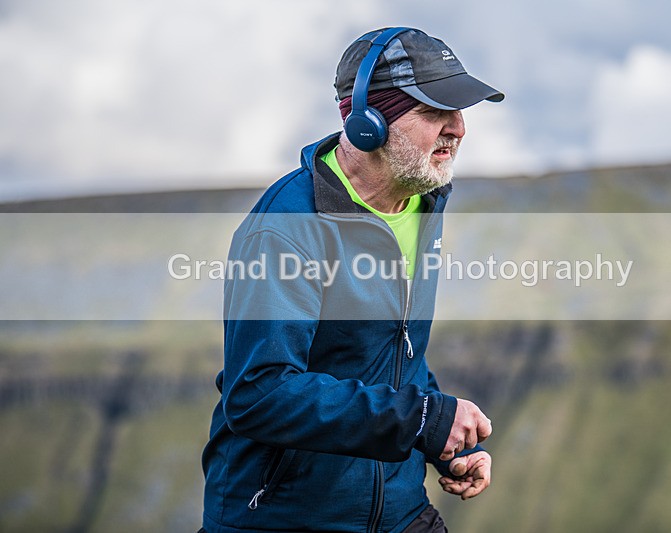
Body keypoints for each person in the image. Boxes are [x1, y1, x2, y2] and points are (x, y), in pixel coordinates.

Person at [200, 27, 504, 533]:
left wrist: (441, 437)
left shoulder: (420, 203)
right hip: (286, 518)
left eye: (459, 111)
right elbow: (259, 394)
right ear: (368, 123)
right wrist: (419, 420)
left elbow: (395, 354)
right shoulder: (286, 229)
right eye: (434, 113)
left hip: (401, 511)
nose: (458, 128)